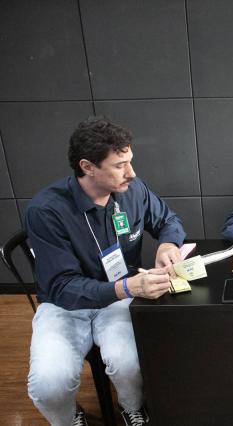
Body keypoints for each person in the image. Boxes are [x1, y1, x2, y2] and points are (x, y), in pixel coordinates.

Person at [25, 117, 186, 426]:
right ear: (88, 167)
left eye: (130, 161)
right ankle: (69, 418)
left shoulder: (133, 190)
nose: (131, 172)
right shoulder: (46, 210)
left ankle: (131, 408)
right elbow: (62, 286)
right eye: (119, 165)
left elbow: (168, 220)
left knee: (131, 364)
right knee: (49, 386)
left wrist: (168, 244)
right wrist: (128, 288)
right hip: (65, 306)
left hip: (120, 297)